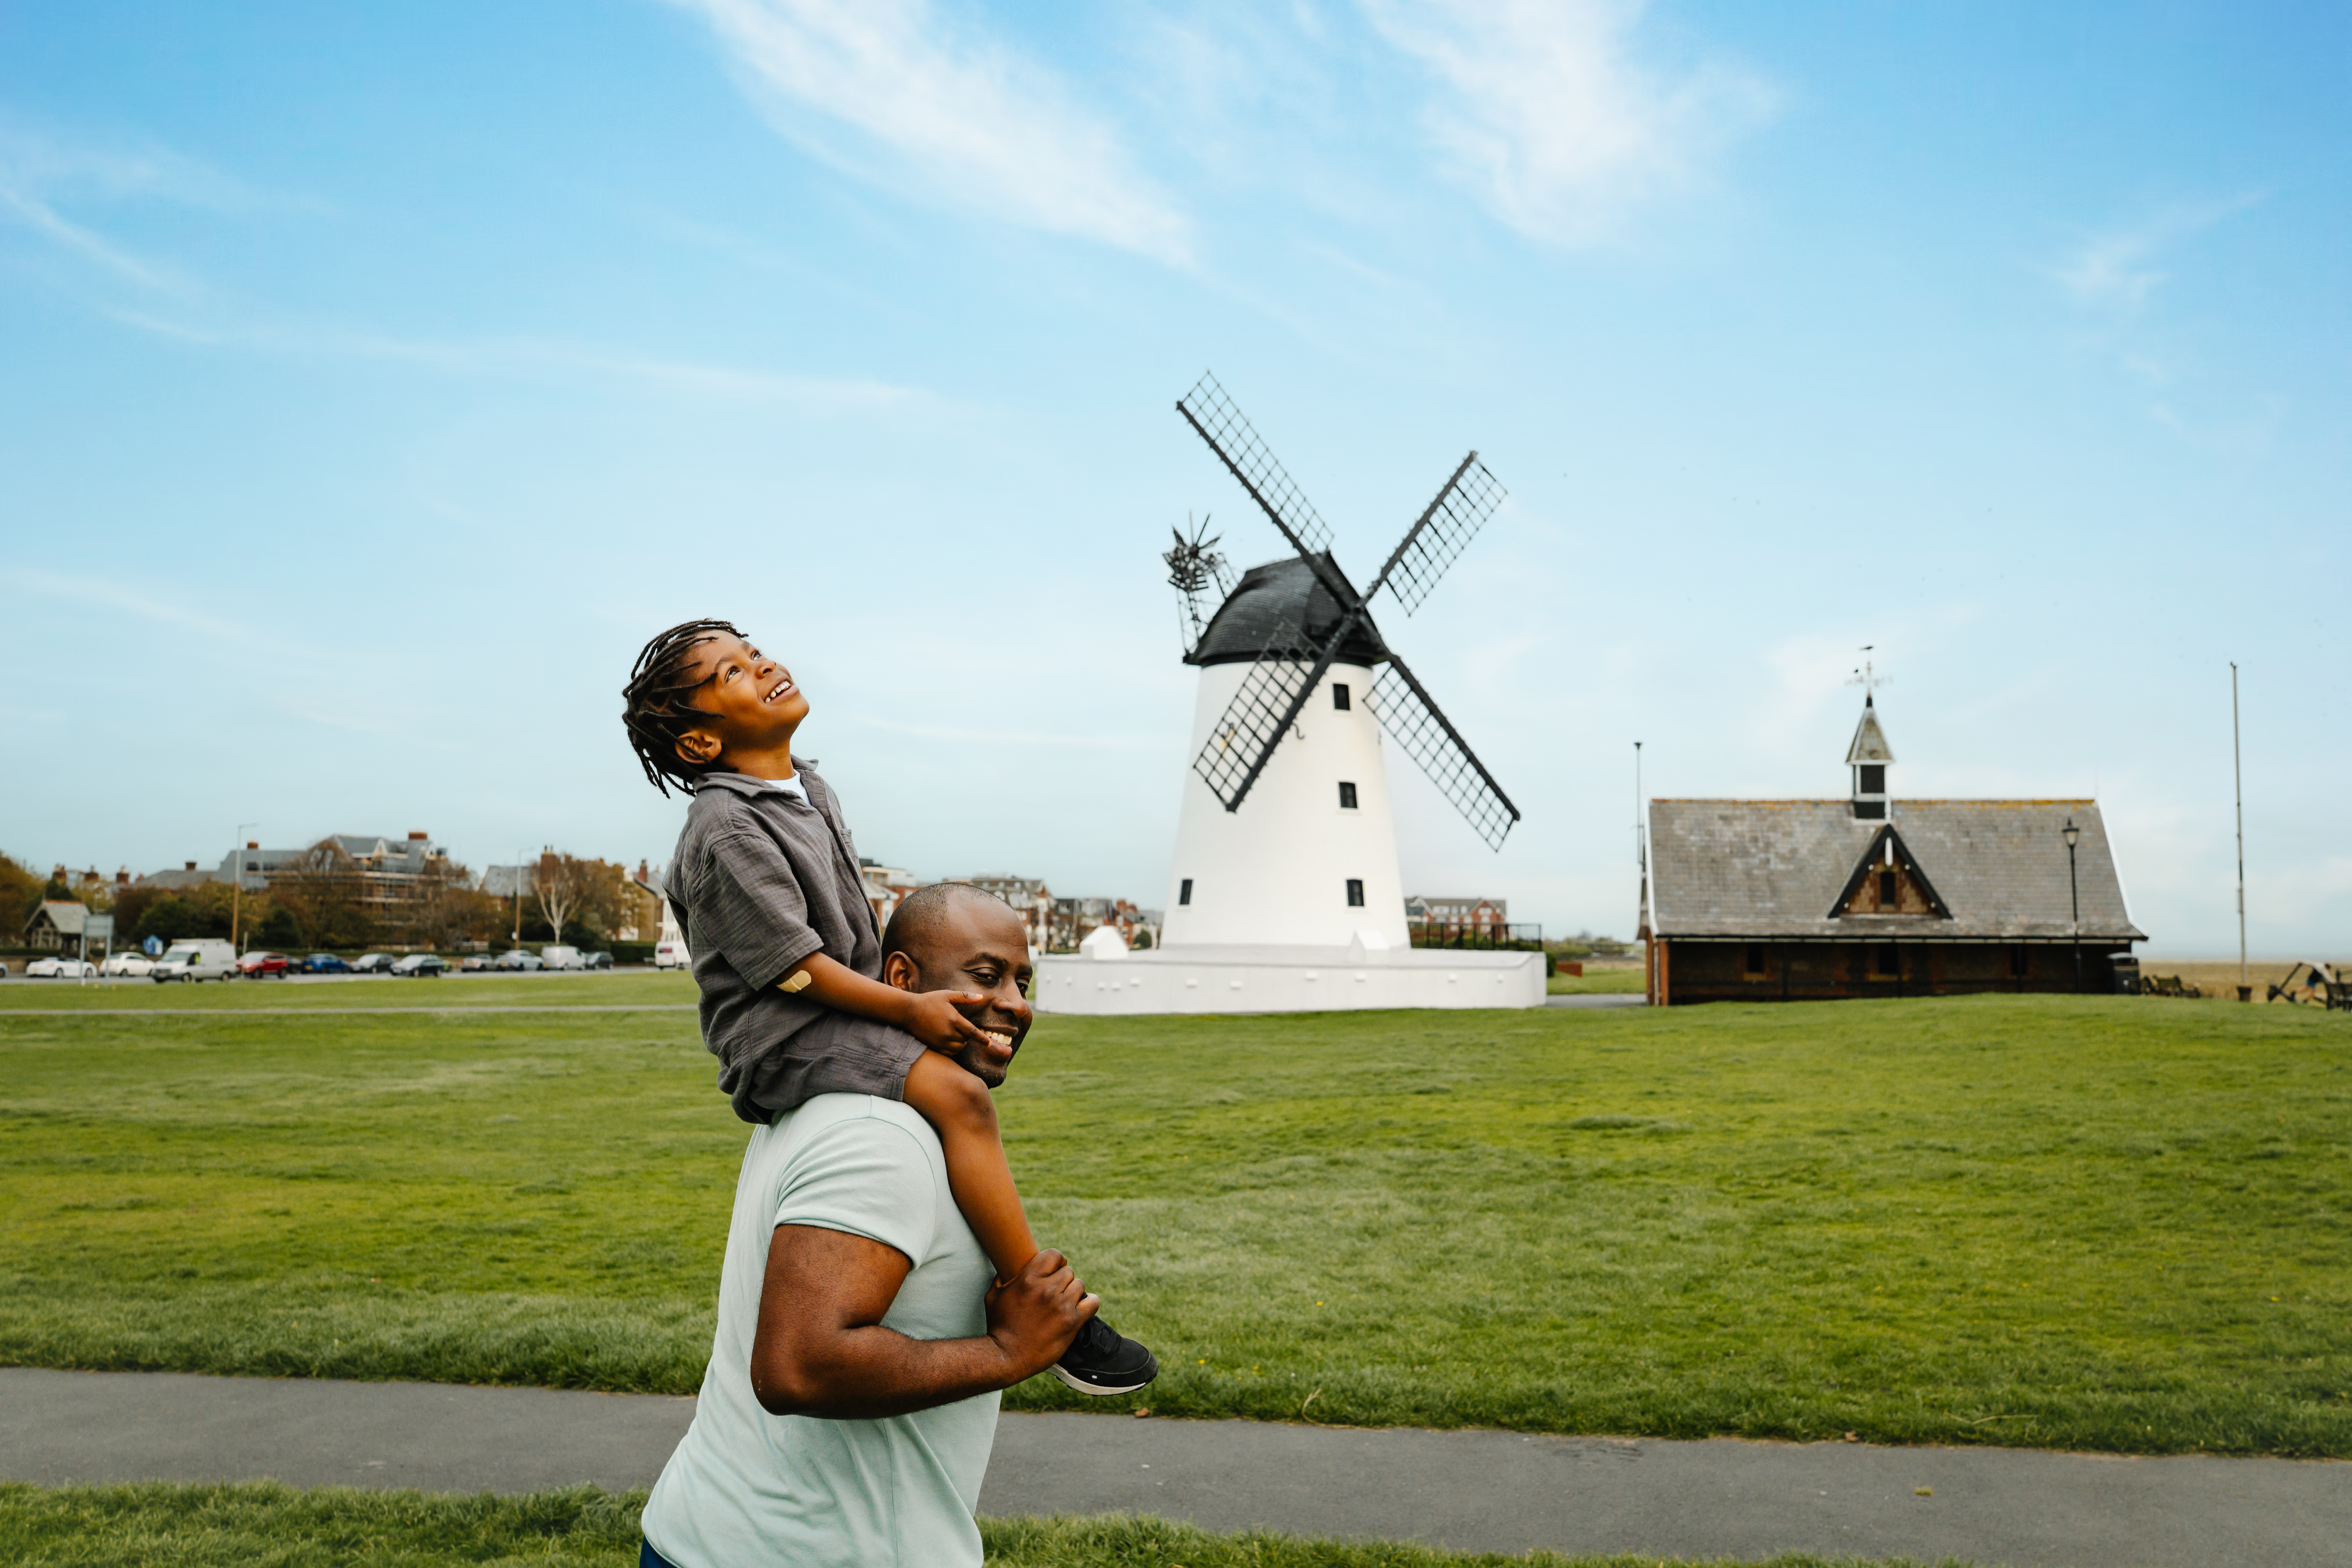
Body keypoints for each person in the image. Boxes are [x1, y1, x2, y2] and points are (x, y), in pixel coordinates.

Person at [621, 618, 1155, 1396]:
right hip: (784, 1032)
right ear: (701, 744)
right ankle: (1041, 1297)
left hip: (836, 1010)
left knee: (958, 1063)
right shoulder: (725, 826)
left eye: (755, 651)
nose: (763, 665)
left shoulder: (811, 786)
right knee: (961, 1095)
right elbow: (795, 971)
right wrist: (907, 1013)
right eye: (732, 673)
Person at [639, 882, 1088, 1568]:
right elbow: (799, 1367)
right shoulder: (882, 1135)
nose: (1016, 1005)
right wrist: (1010, 1353)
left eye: (1023, 981)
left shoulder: (839, 1096)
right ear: (903, 977)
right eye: (987, 975)